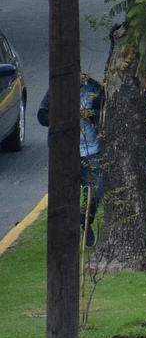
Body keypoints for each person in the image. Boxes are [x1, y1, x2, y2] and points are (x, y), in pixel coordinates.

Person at [39, 75, 107, 247]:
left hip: (91, 150)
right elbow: (42, 115)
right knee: (67, 195)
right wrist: (65, 115)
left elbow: (105, 114)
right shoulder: (57, 89)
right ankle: (73, 232)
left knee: (96, 191)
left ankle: (85, 220)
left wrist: (90, 114)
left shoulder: (94, 89)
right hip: (65, 152)